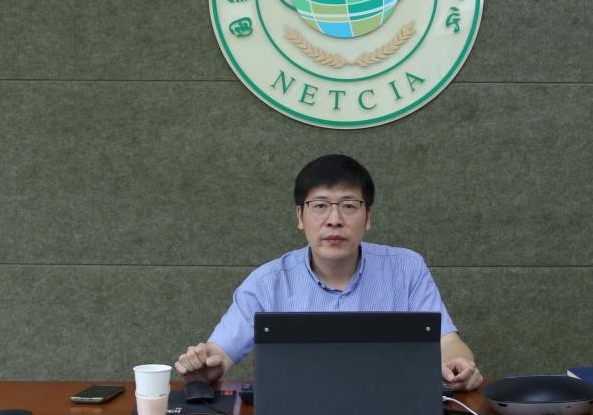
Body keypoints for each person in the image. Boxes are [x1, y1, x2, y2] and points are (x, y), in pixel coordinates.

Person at [175, 154, 483, 391]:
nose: (334, 220)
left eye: (348, 206)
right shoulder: (267, 282)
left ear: (368, 216)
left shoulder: (406, 268)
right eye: (320, 205)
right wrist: (206, 365)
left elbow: (447, 341)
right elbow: (219, 351)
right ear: (300, 216)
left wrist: (459, 362)